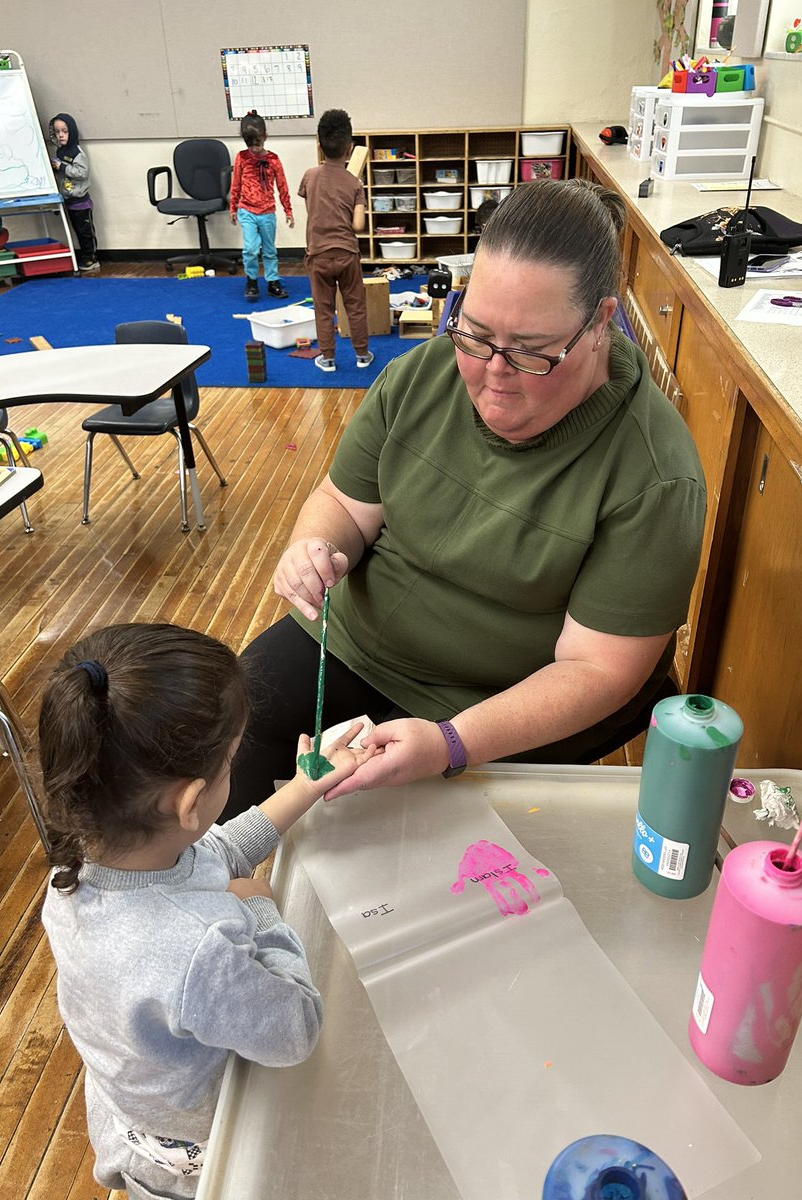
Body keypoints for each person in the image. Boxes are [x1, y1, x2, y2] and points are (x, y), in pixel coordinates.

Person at [226, 178, 706, 819]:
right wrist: (312, 548)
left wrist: (452, 743)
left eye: (533, 352)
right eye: (474, 335)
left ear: (600, 323)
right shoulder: (421, 376)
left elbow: (598, 670)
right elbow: (343, 505)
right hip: (359, 643)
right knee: (230, 722)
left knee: (405, 842)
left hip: (500, 697)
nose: (493, 371)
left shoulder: (653, 474)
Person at [39, 622, 374, 1200]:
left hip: (132, 1111)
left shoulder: (78, 870)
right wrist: (265, 916)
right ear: (190, 801)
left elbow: (212, 852)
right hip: (195, 1159)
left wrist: (303, 787)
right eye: (229, 763)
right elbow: (294, 1030)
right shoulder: (199, 953)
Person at [297, 108, 374, 373]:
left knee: (323, 308)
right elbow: (358, 225)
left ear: (319, 145)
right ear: (350, 148)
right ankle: (362, 355)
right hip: (346, 253)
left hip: (318, 254)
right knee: (355, 305)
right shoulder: (354, 183)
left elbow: (313, 207)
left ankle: (327, 358)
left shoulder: (310, 176)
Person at [230, 111, 294, 301]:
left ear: (265, 137)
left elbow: (282, 186)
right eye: (250, 144)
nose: (254, 148)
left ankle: (273, 281)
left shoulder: (273, 159)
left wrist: (288, 210)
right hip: (247, 210)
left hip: (267, 212)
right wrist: (233, 207)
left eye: (257, 142)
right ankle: (251, 279)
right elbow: (236, 184)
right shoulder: (241, 157)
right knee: (250, 249)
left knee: (269, 249)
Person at [48, 112, 99, 272]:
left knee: (85, 232)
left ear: (72, 132)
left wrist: (62, 167)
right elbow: (63, 175)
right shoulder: (61, 152)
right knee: (77, 230)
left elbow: (82, 173)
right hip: (69, 199)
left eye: (65, 131)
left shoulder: (77, 153)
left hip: (81, 202)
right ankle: (83, 255)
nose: (61, 135)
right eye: (57, 132)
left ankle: (91, 258)